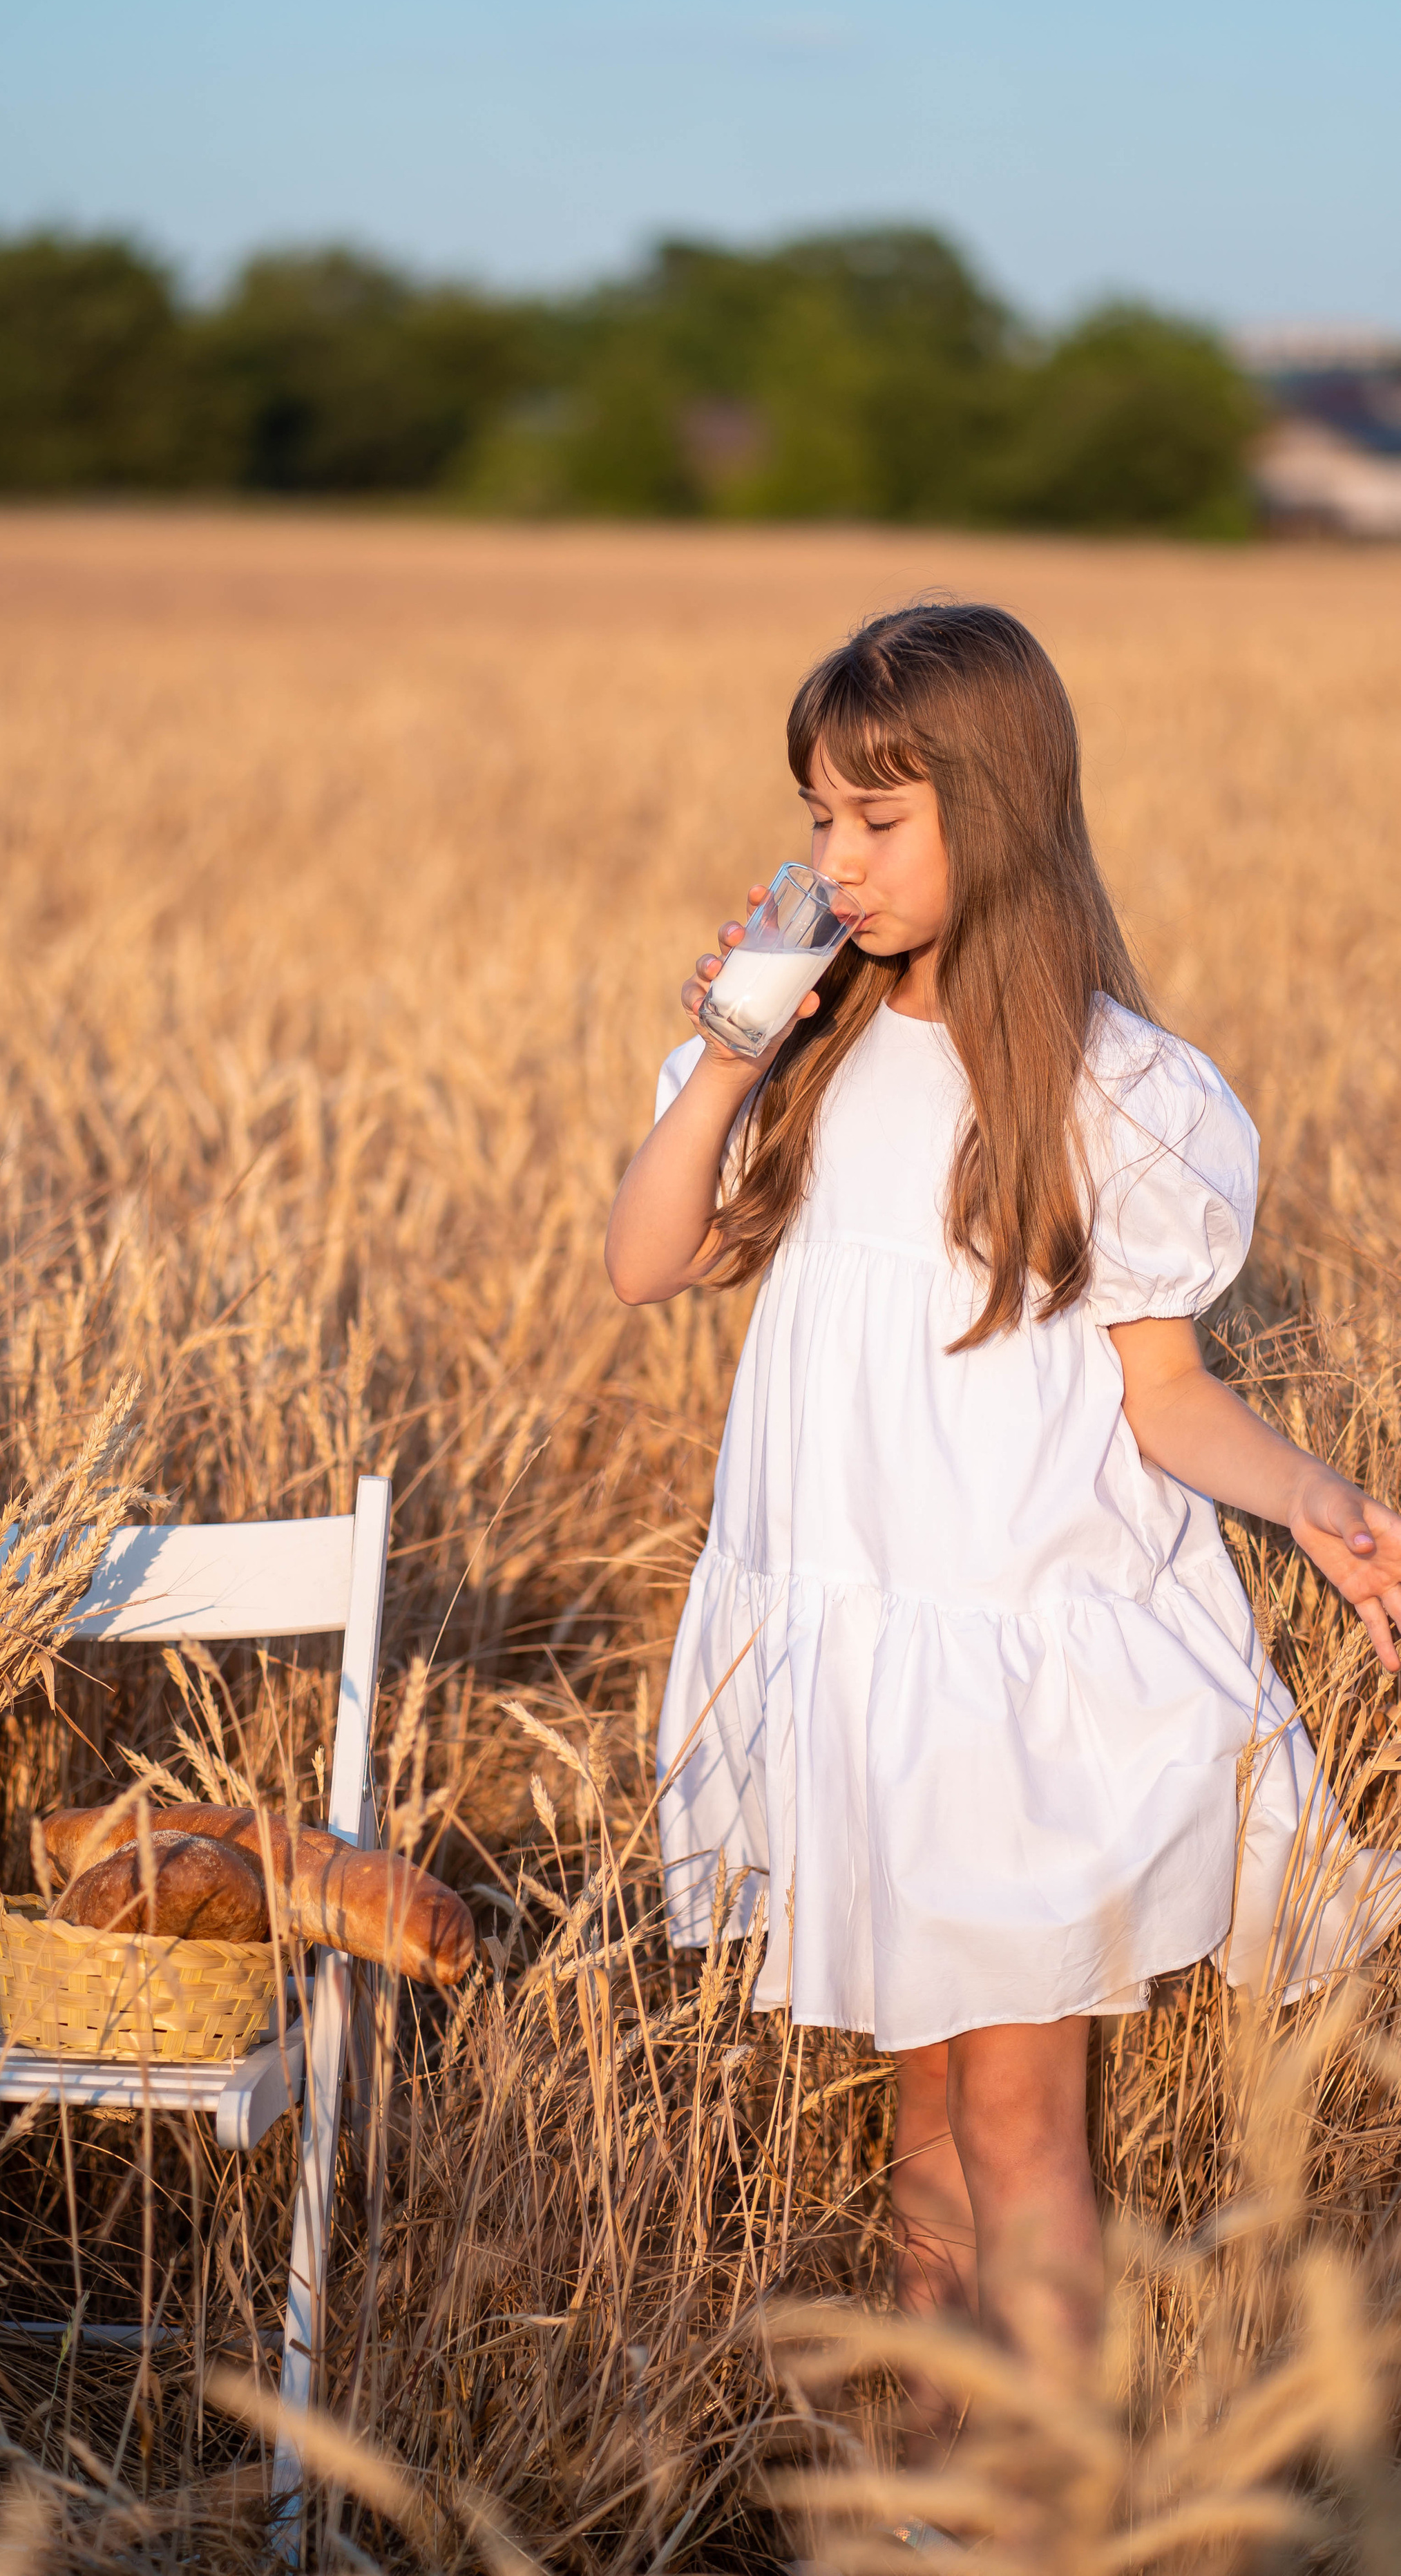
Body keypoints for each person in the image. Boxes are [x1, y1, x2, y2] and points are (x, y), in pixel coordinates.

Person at [604, 602, 1401, 2454]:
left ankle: (1040, 2508)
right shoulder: (802, 1053)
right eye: (818, 820)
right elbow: (648, 1263)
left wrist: (1319, 1494)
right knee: (927, 2134)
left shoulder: (1125, 1091)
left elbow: (1166, 1396)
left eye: (880, 823)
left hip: (1014, 1682)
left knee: (1027, 2133)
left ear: (1003, 808)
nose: (837, 864)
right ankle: (934, 2497)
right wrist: (731, 1045)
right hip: (856, 1661)